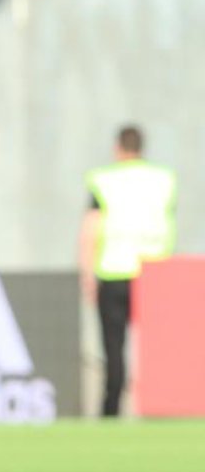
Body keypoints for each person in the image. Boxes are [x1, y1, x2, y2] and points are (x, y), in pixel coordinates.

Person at [79, 125, 176, 418]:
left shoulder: (104, 180)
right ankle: (161, 406)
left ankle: (111, 411)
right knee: (157, 347)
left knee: (114, 347)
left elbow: (90, 228)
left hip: (113, 270)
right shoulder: (164, 180)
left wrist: (87, 272)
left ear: (118, 148)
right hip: (155, 272)